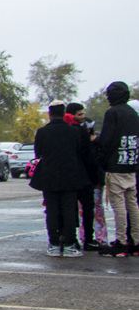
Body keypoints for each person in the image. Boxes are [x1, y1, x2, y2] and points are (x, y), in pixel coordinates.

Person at [33, 103, 88, 257]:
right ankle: (70, 243)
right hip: (70, 175)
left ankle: (54, 243)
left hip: (49, 176)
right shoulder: (73, 131)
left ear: (50, 115)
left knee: (51, 210)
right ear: (64, 114)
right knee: (69, 210)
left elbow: (38, 153)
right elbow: (79, 150)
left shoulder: (42, 132)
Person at [96, 81, 139, 257]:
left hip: (116, 165)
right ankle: (136, 241)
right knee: (133, 204)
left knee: (118, 205)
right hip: (131, 162)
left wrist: (101, 157)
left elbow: (106, 140)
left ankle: (121, 242)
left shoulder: (113, 113)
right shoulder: (132, 113)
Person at [66, 102, 100, 249]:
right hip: (83, 177)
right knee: (87, 209)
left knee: (71, 209)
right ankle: (88, 238)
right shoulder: (80, 132)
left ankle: (72, 238)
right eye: (79, 114)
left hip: (72, 177)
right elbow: (88, 155)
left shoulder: (68, 131)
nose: (83, 117)